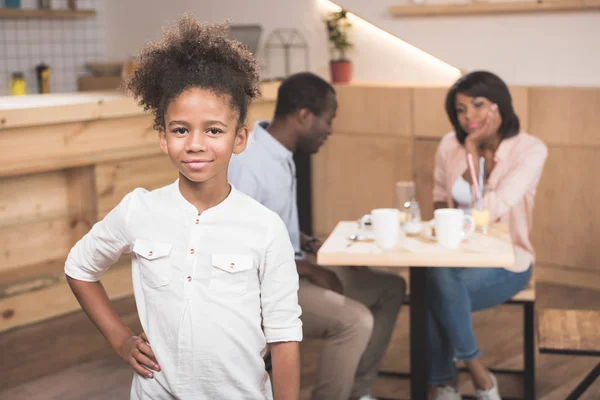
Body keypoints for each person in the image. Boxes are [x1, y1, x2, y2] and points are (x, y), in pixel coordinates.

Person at [64, 15, 302, 400]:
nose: (195, 144)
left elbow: (284, 335)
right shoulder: (139, 210)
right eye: (180, 129)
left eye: (213, 130)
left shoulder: (264, 227)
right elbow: (79, 266)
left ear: (240, 138)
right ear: (163, 137)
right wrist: (121, 340)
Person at [229, 72, 406, 400]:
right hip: (263, 289)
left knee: (390, 287)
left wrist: (303, 239)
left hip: (292, 271)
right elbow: (240, 244)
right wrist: (309, 269)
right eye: (328, 120)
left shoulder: (279, 154)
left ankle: (358, 393)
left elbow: (265, 221)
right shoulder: (249, 162)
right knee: (355, 322)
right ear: (304, 117)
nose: (330, 129)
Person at [429, 70, 548, 400]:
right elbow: (440, 197)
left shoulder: (531, 150)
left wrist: (475, 151)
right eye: (461, 109)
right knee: (438, 279)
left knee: (434, 293)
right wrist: (468, 150)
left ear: (499, 106)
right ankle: (478, 377)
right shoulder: (448, 144)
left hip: (508, 260)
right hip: (453, 257)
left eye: (478, 105)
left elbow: (495, 206)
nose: (468, 117)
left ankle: (445, 384)